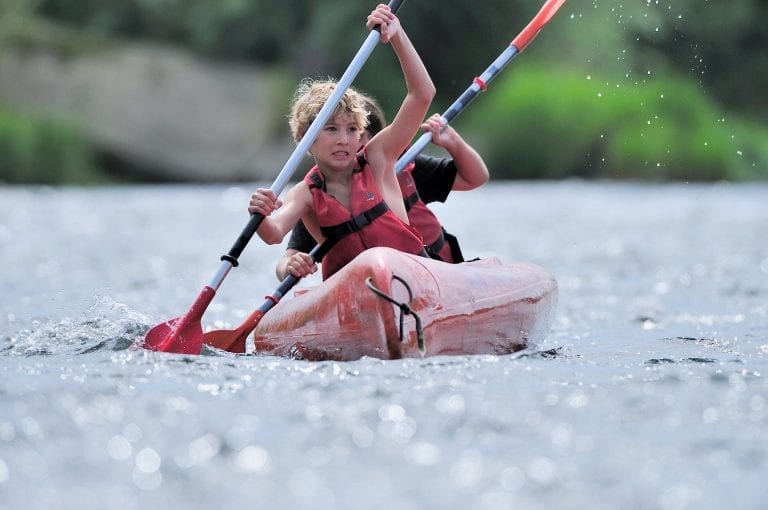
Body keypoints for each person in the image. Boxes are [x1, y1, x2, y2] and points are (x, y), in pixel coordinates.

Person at [248, 3, 435, 281]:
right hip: (355, 293)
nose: (344, 140)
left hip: (413, 280)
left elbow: (422, 95)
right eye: (331, 129)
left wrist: (396, 35)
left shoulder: (378, 158)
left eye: (352, 129)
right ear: (304, 139)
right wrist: (260, 214)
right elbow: (274, 233)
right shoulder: (306, 194)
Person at [275, 96, 489, 281]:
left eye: (356, 132)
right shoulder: (320, 199)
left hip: (434, 274)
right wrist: (290, 266)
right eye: (334, 130)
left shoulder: (404, 167)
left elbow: (475, 178)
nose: (348, 142)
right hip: (367, 289)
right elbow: (287, 257)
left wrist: (453, 142)